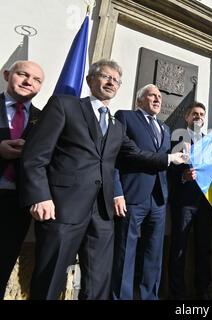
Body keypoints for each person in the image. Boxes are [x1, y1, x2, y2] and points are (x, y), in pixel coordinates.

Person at [19, 59, 187, 300]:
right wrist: (40, 195)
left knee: (98, 283)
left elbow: (135, 155)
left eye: (116, 80)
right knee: (49, 280)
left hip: (102, 215)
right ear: (90, 80)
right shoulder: (64, 106)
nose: (111, 82)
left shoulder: (116, 125)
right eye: (105, 77)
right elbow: (35, 155)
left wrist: (171, 159)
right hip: (64, 209)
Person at [111, 84, 171, 300]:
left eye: (160, 96)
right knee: (125, 252)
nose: (157, 99)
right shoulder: (125, 117)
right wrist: (116, 192)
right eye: (152, 95)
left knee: (153, 253)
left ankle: (149, 297)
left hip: (158, 200)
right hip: (132, 197)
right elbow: (114, 157)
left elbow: (162, 161)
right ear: (139, 100)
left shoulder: (166, 128)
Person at [0, 60, 44, 299]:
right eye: (23, 74)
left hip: (17, 204)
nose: (29, 81)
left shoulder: (43, 118)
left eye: (37, 79)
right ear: (7, 75)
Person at [168, 102, 212, 300]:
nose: (198, 117)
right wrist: (182, 176)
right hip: (183, 202)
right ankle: (177, 293)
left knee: (204, 247)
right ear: (186, 117)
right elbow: (167, 167)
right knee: (179, 248)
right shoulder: (176, 137)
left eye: (202, 114)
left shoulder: (209, 141)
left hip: (205, 203)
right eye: (194, 114)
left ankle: (202, 290)